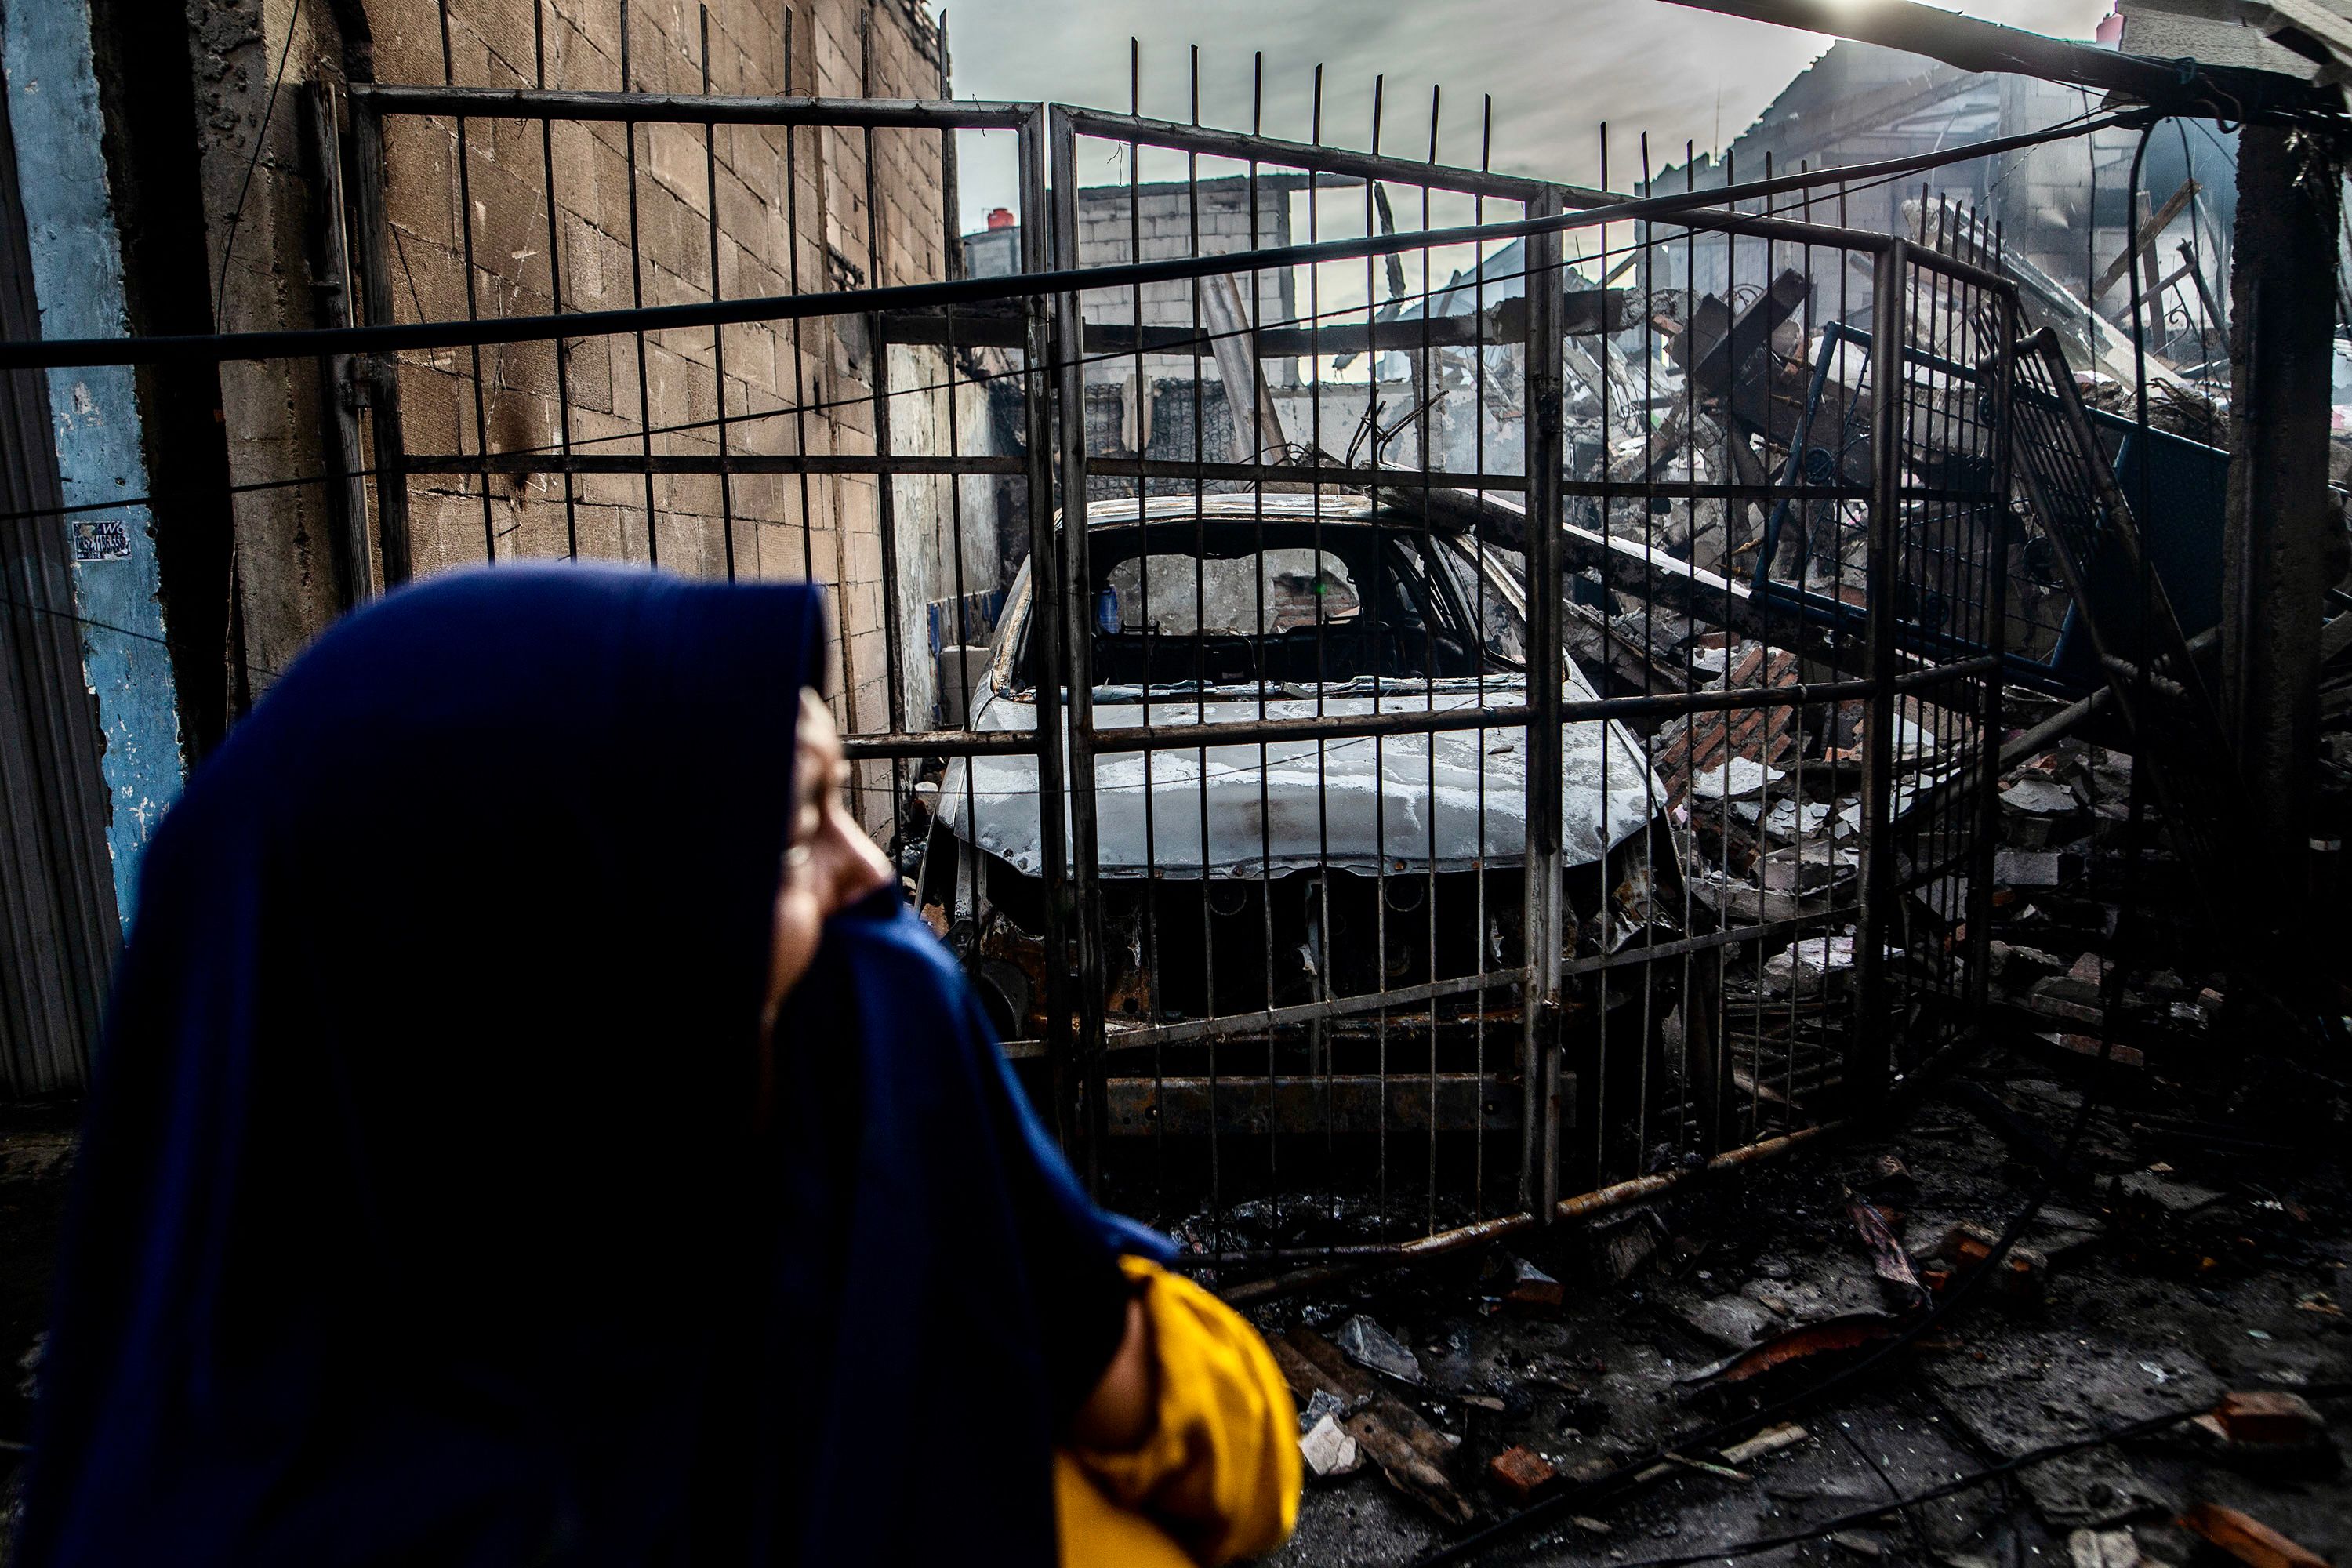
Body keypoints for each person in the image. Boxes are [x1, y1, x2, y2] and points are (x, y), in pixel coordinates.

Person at [13, 568, 1298, 1567]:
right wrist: (1020, 1245)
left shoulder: (189, 1461)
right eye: (800, 829)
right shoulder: (852, 1182)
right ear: (545, 957)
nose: (874, 873)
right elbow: (1238, 1463)